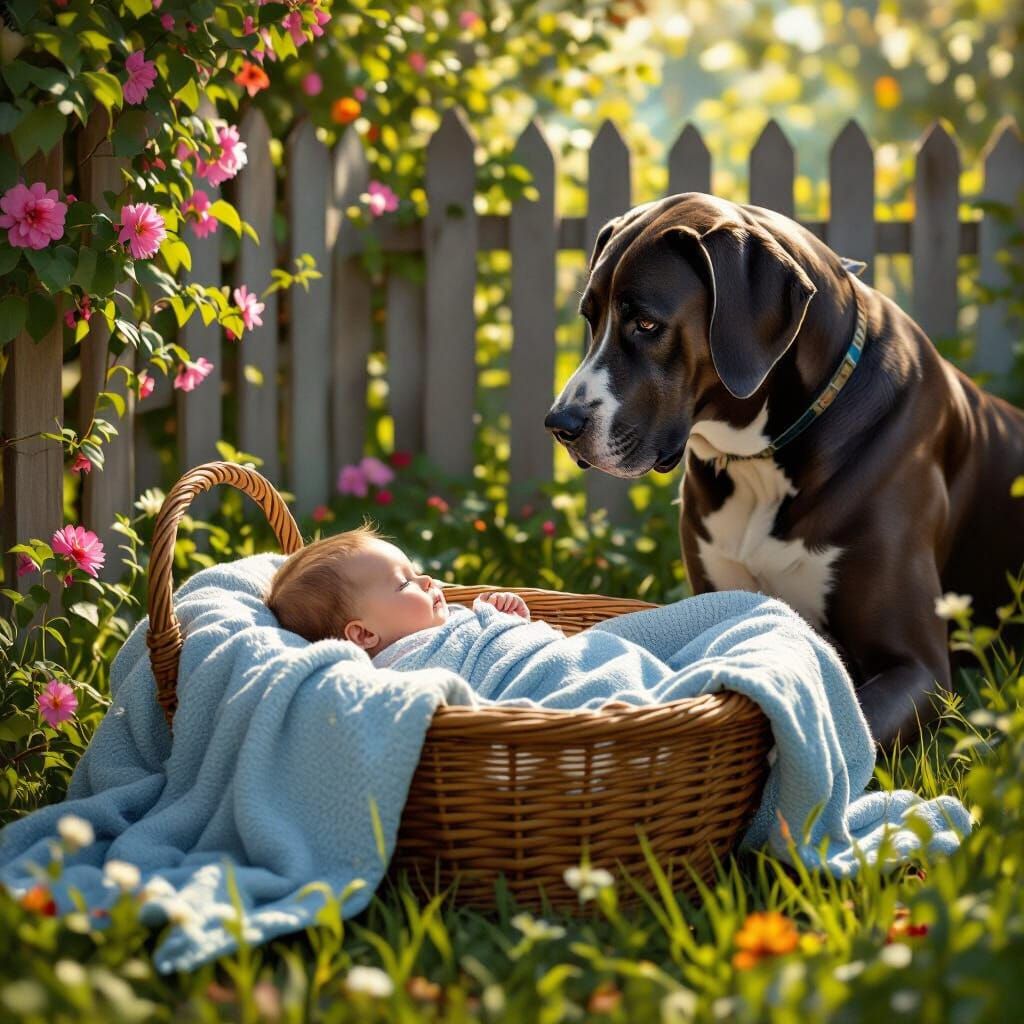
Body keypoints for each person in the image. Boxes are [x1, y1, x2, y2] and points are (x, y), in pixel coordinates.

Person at [265, 524, 533, 663]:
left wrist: (506, 620)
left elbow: (511, 646)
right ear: (364, 634)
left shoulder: (443, 623)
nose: (427, 580)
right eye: (405, 583)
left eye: (414, 572)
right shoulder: (407, 667)